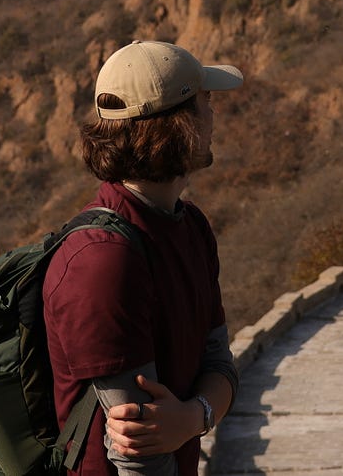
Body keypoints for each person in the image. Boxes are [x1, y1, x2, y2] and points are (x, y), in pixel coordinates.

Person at [44, 40, 243, 475]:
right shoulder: (102, 262)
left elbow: (221, 366)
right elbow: (138, 453)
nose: (213, 115)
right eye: (206, 101)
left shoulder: (190, 226)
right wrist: (197, 414)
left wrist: (194, 417)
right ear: (181, 126)